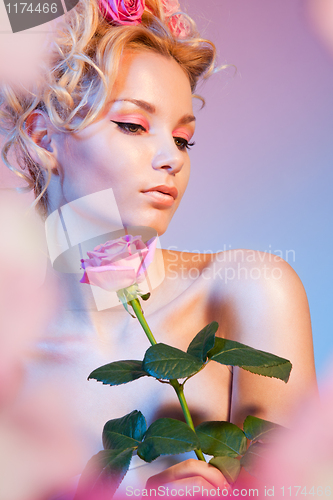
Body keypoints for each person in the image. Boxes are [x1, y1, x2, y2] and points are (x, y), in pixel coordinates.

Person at [0, 0, 317, 495]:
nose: (171, 157)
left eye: (184, 138)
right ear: (44, 138)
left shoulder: (247, 292)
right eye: (132, 125)